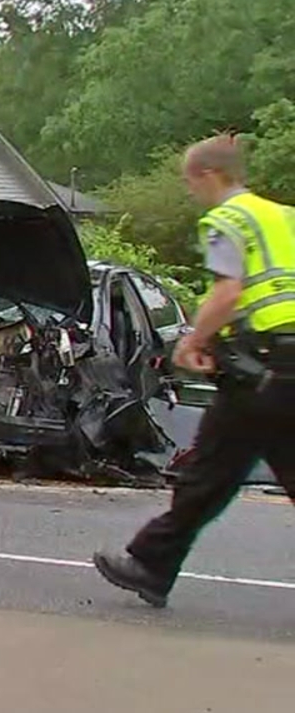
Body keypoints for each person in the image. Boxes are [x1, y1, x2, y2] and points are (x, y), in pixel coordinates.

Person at [93, 134, 295, 607]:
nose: (191, 193)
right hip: (285, 365)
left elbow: (228, 293)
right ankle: (152, 565)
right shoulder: (283, 217)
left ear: (208, 175)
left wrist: (193, 339)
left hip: (261, 370)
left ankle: (149, 563)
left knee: (209, 473)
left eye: (190, 182)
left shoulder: (226, 219)